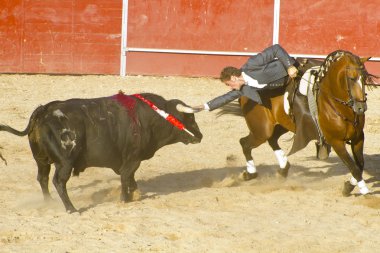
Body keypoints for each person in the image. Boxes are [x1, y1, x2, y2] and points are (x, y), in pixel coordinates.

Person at [191, 44, 298, 111]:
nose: (230, 88)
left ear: (234, 78)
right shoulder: (242, 89)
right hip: (286, 88)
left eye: (228, 84)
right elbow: (224, 98)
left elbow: (275, 49)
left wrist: (289, 66)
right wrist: (203, 106)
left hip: (296, 72)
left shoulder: (252, 64)